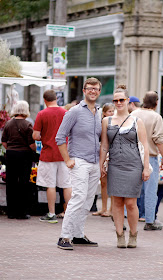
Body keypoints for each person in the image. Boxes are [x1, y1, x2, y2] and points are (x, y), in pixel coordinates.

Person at [100, 85, 150, 248]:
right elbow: (104, 146)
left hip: (133, 165)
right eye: (116, 100)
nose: (119, 102)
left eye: (122, 99)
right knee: (117, 202)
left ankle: (133, 234)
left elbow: (144, 145)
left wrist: (146, 167)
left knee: (131, 203)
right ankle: (120, 235)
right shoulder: (106, 121)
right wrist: (101, 165)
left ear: (128, 101)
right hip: (115, 164)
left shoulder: (137, 121)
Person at [56, 77, 102, 250]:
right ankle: (64, 236)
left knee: (89, 200)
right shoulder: (74, 111)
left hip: (94, 162)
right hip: (79, 161)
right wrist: (67, 159)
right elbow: (60, 137)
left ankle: (78, 234)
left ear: (98, 91)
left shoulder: (98, 112)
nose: (93, 91)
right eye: (89, 88)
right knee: (78, 197)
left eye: (96, 89)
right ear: (84, 91)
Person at [33, 90, 72, 224]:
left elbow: (36, 136)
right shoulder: (65, 113)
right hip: (64, 153)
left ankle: (51, 213)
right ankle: (70, 212)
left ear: (45, 100)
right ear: (56, 98)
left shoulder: (42, 114)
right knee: (67, 184)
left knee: (50, 185)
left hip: (48, 153)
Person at [131, 91, 163, 230]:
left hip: (133, 156)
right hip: (150, 156)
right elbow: (159, 140)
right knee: (151, 190)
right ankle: (149, 221)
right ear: (156, 102)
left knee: (131, 190)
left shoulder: (133, 114)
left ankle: (127, 219)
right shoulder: (156, 117)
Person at [2, 100, 36, 219]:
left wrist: (11, 148)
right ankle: (22, 212)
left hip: (11, 154)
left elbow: (4, 142)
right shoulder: (27, 124)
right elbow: (31, 144)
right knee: (23, 182)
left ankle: (11, 212)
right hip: (24, 155)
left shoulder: (8, 124)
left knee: (11, 183)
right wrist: (34, 150)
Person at [92, 102, 115, 217]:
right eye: (110, 111)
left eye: (113, 111)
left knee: (112, 183)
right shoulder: (101, 124)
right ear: (104, 113)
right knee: (103, 183)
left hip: (113, 153)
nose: (112, 113)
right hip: (103, 153)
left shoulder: (116, 123)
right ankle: (104, 208)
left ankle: (111, 209)